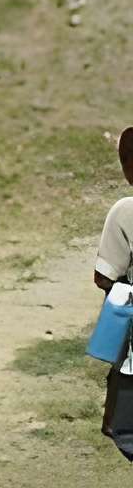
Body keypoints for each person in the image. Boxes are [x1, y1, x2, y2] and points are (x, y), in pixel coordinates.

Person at [94, 128, 133, 460]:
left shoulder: (124, 211)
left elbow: (102, 276)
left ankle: (115, 422)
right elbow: (105, 278)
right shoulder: (125, 211)